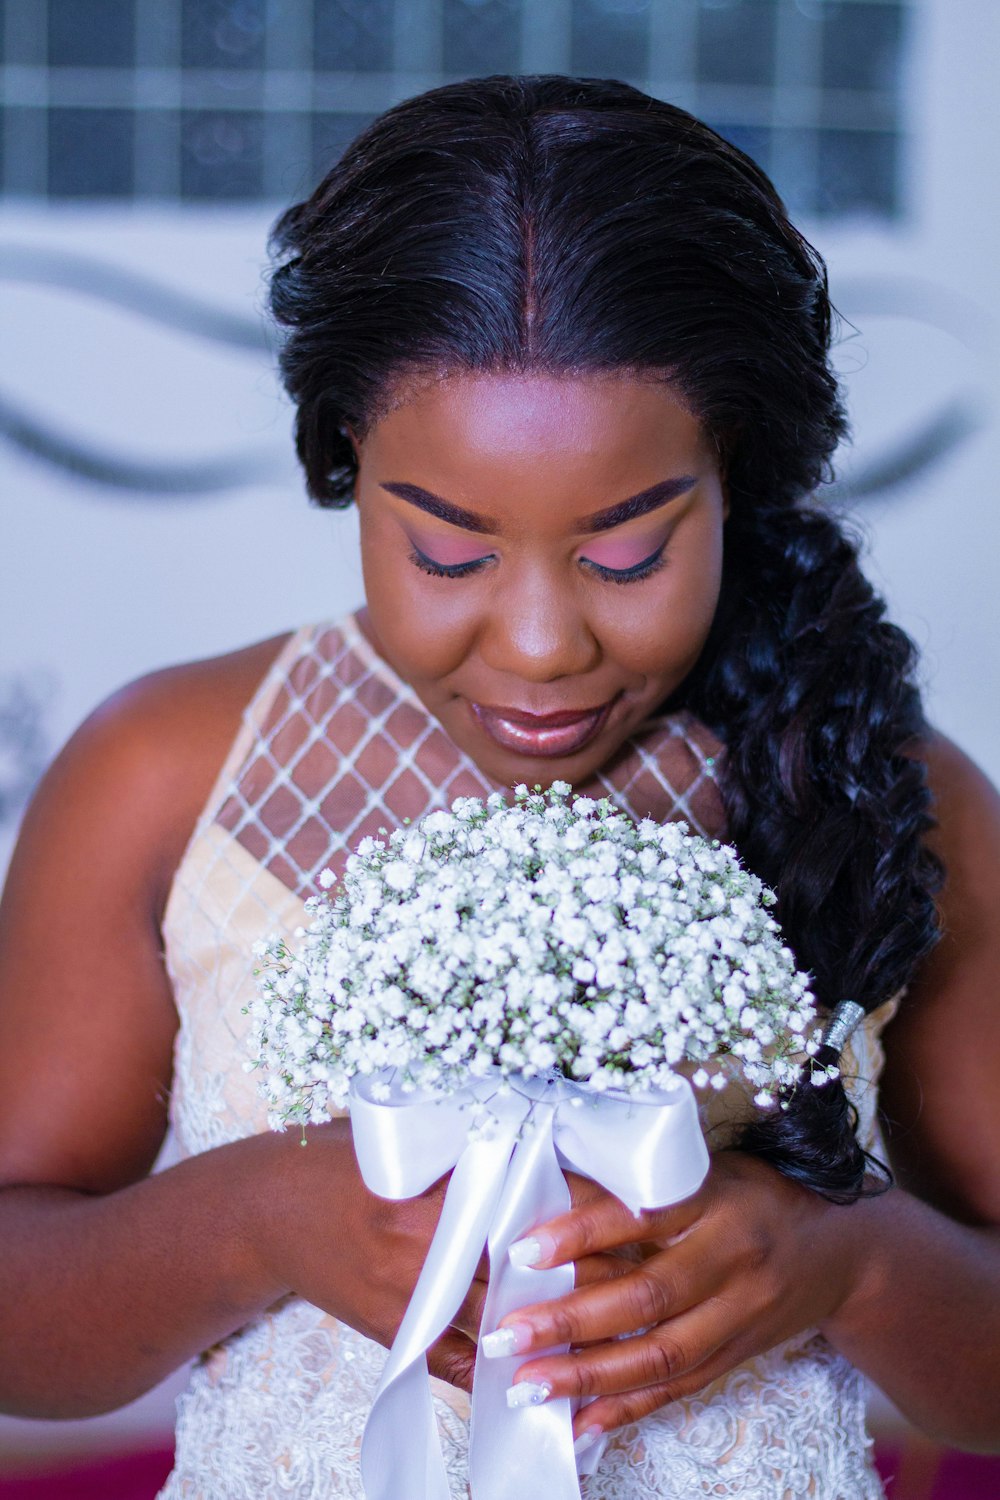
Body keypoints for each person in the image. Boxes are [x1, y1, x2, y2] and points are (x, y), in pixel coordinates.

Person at [1, 73, 998, 1500]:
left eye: (628, 553)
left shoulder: (884, 789)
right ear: (348, 461)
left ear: (737, 477)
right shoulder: (166, 775)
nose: (541, 645)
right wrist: (263, 1219)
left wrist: (851, 1261)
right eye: (451, 555)